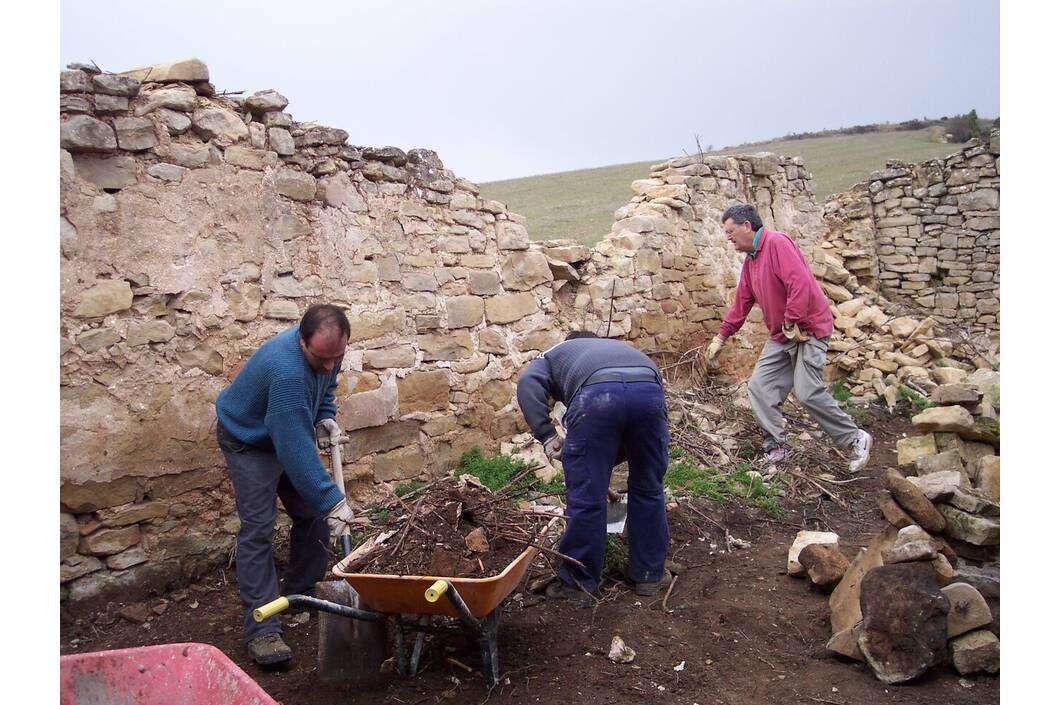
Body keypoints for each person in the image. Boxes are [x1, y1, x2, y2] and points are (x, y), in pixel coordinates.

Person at [215, 304, 357, 666]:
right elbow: (293, 447)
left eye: (335, 357)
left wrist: (325, 416)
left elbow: (327, 385)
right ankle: (262, 630)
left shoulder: (328, 351)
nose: (329, 365)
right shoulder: (287, 372)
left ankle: (302, 593)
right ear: (301, 339)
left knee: (310, 514)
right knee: (259, 528)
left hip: (283, 429)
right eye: (321, 358)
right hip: (248, 440)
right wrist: (332, 500)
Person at [705, 203, 872, 471]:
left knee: (806, 391)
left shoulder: (777, 244)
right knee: (759, 387)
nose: (728, 238)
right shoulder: (751, 261)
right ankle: (776, 446)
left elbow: (800, 283)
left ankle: (855, 439)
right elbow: (742, 303)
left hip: (808, 329)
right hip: (782, 335)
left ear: (747, 226)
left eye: (730, 231)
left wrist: (792, 319)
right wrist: (721, 337)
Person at [516, 331, 671, 602]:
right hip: (648, 392)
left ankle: (578, 584)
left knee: (586, 497)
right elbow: (635, 408)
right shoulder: (621, 348)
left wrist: (547, 436)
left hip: (596, 396)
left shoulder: (555, 352)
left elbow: (528, 383)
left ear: (569, 342)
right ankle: (649, 574)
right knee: (649, 488)